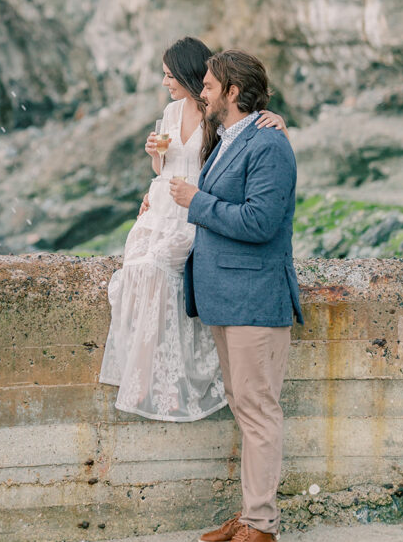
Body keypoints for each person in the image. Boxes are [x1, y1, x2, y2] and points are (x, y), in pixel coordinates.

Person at [99, 37, 286, 422]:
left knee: (162, 270)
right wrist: (156, 156)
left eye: (170, 75)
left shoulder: (218, 113)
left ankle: (176, 381)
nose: (166, 82)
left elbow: (242, 143)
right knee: (136, 272)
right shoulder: (170, 112)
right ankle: (146, 375)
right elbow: (164, 169)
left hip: (194, 205)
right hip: (162, 200)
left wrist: (279, 121)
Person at [169, 49, 303, 542]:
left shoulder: (269, 145)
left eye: (207, 85)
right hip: (228, 299)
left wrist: (195, 203)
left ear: (232, 91)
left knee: (258, 410)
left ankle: (263, 525)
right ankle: (250, 514)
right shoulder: (229, 139)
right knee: (245, 407)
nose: (199, 93)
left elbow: (260, 222)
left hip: (254, 300)